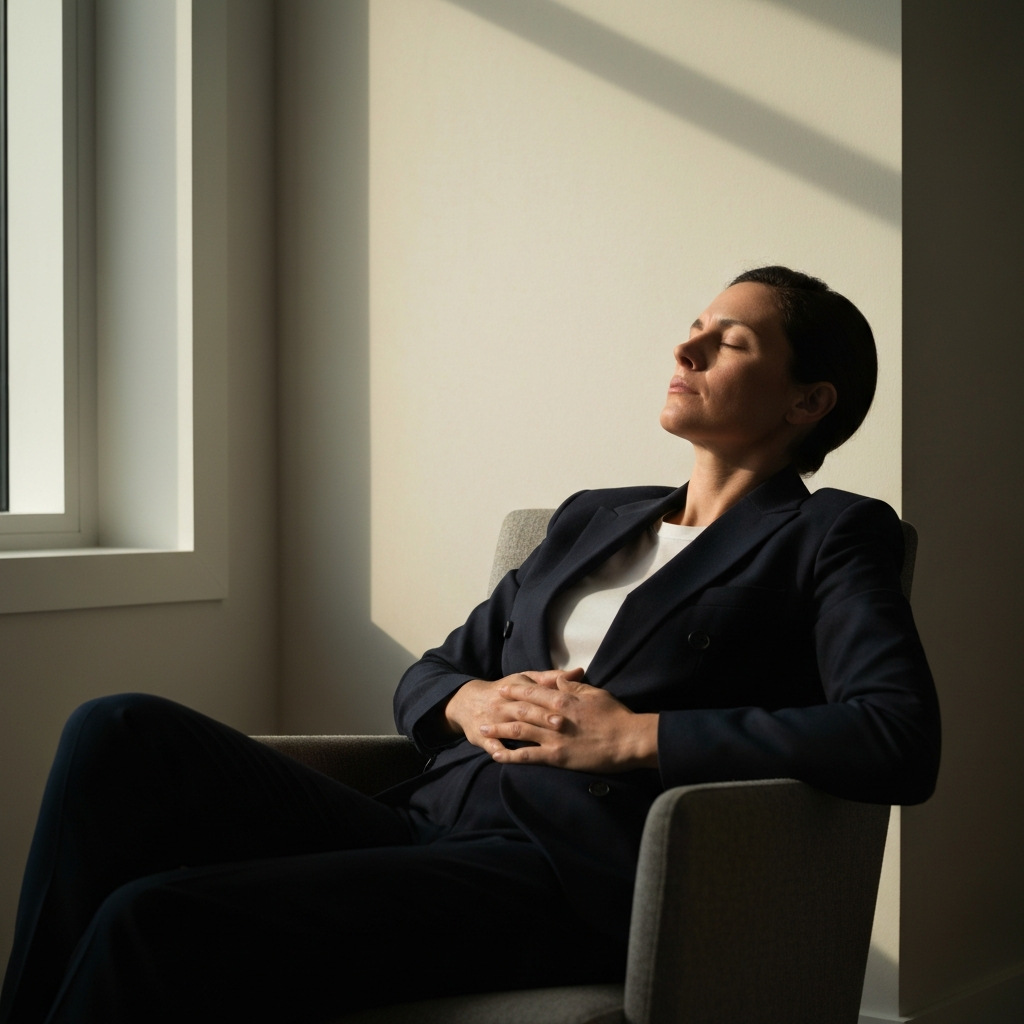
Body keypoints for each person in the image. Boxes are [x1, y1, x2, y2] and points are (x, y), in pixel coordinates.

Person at [0, 266, 940, 1024]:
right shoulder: (589, 520)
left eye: (729, 341)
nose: (684, 346)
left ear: (808, 402)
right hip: (426, 820)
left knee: (150, 918)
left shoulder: (829, 534)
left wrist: (636, 737)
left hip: (561, 871)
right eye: (694, 325)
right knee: (115, 731)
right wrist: (468, 701)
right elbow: (432, 671)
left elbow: (896, 734)